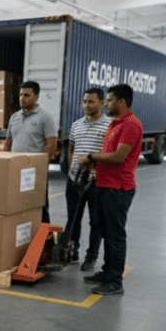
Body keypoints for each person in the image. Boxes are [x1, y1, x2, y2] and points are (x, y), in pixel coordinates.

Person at [78, 84, 142, 295]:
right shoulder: (115, 123)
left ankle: (115, 281)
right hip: (105, 186)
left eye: (110, 100)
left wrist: (91, 157)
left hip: (118, 189)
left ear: (121, 102)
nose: (106, 103)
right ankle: (107, 272)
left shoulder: (131, 125)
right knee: (106, 232)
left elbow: (118, 157)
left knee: (115, 236)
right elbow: (109, 152)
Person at [67, 87, 111, 271]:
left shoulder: (109, 125)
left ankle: (91, 257)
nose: (87, 105)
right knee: (73, 219)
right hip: (74, 180)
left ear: (102, 103)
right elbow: (71, 149)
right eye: (85, 101)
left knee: (96, 221)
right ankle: (72, 252)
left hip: (96, 181)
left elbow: (109, 153)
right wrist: (72, 169)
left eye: (91, 101)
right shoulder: (76, 124)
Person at [4, 80, 58, 223]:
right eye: (21, 95)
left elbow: (51, 144)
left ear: (37, 97)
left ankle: (44, 241)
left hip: (35, 171)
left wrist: (40, 167)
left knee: (40, 206)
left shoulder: (45, 117)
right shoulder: (14, 117)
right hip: (16, 170)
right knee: (18, 205)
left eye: (27, 95)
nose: (22, 98)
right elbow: (8, 143)